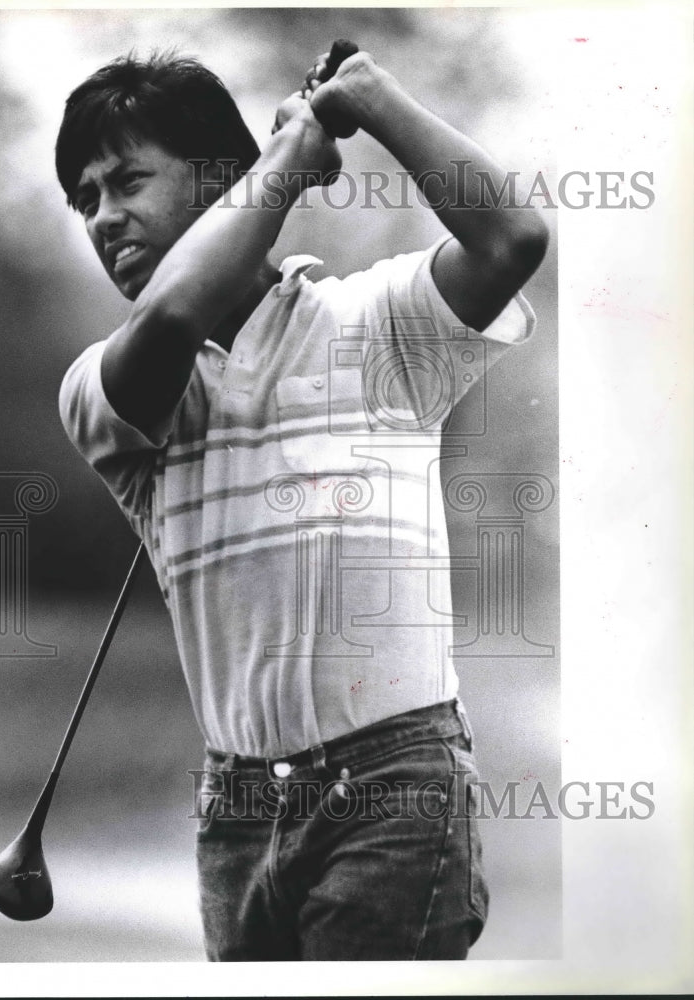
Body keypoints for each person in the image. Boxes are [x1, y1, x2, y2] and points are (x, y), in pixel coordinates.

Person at [55, 43, 548, 961]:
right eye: (84, 199)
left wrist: (370, 98)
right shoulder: (104, 385)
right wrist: (294, 157)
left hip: (395, 784)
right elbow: (169, 318)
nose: (102, 218)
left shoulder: (380, 320)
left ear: (218, 183)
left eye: (126, 182)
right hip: (236, 813)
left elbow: (511, 238)